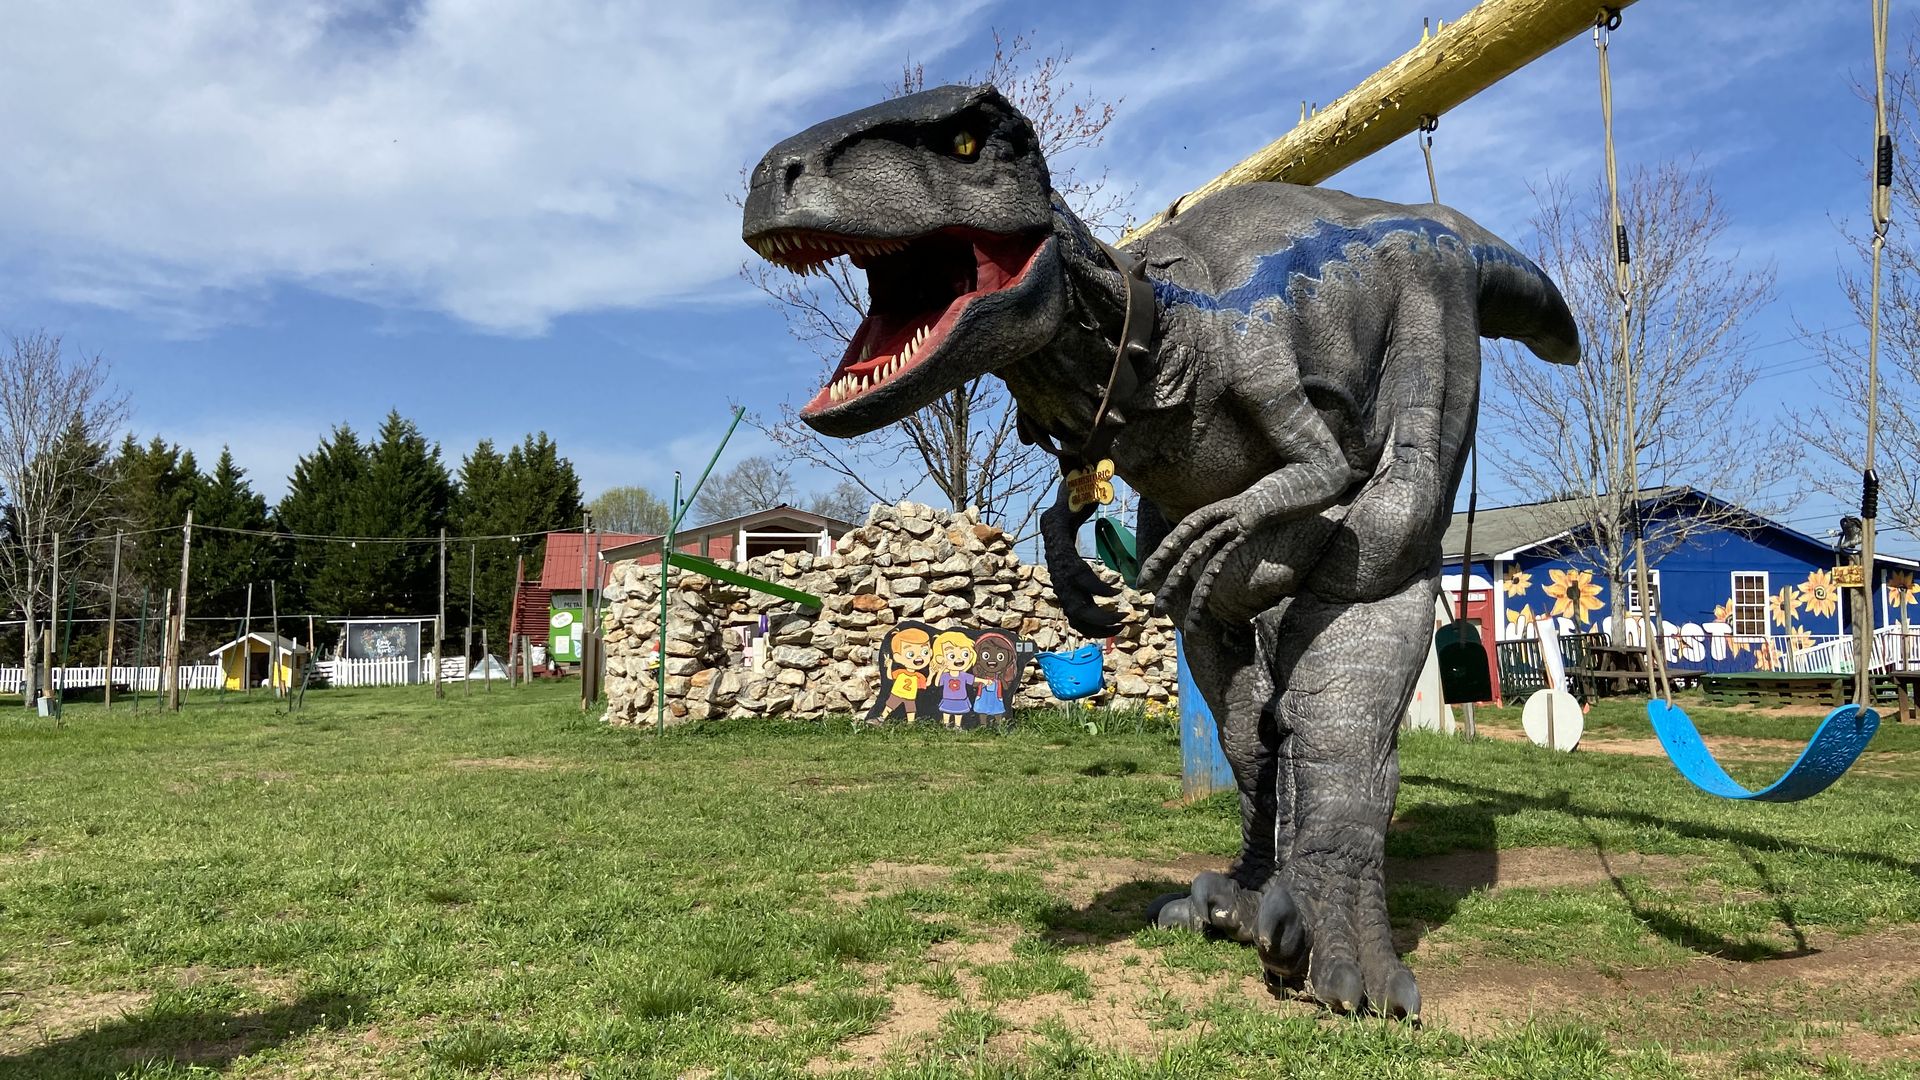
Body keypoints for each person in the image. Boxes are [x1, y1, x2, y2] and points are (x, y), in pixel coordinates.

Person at [932, 630, 977, 729]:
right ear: (940, 658)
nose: (959, 660)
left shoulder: (964, 675)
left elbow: (973, 680)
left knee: (958, 714)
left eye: (965, 654)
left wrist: (984, 681)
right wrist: (940, 671)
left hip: (961, 699)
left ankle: (957, 726)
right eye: (951, 656)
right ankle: (946, 725)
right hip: (948, 699)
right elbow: (937, 683)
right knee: (946, 712)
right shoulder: (946, 675)